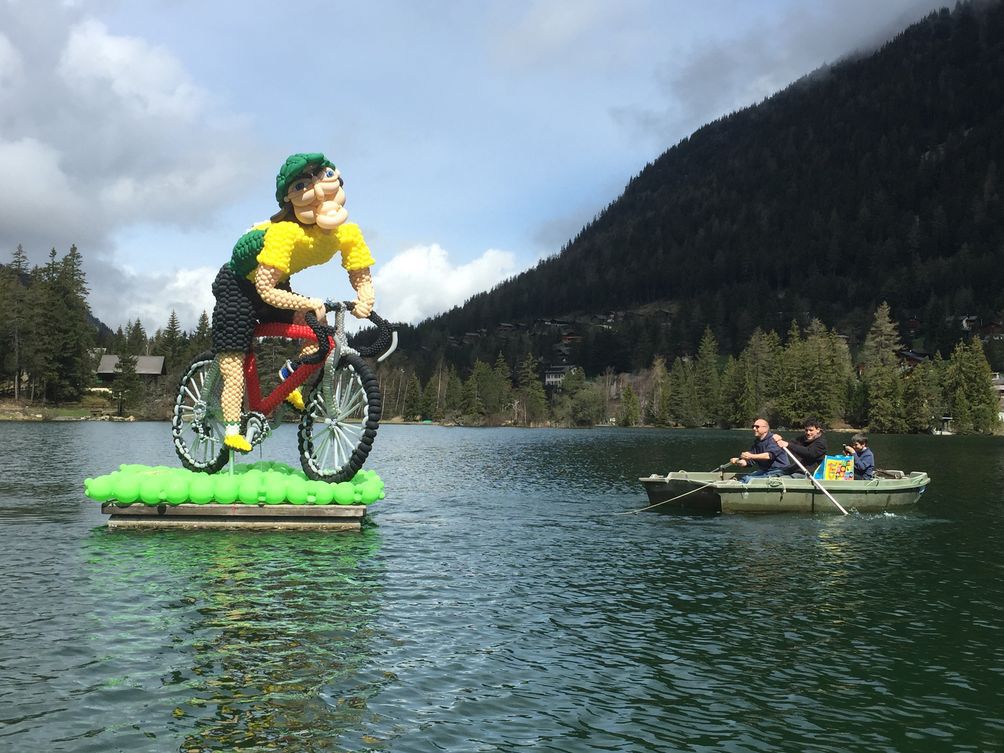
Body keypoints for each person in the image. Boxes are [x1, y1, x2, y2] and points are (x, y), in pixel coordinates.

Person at [211, 152, 376, 452]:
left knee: (319, 334)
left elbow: (359, 270)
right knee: (233, 359)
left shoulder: (346, 232)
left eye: (323, 177)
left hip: (277, 281)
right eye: (302, 185)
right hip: (239, 284)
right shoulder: (284, 232)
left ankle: (290, 378)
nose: (316, 190)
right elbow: (264, 288)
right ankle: (232, 429)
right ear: (290, 200)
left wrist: (365, 299)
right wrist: (309, 301)